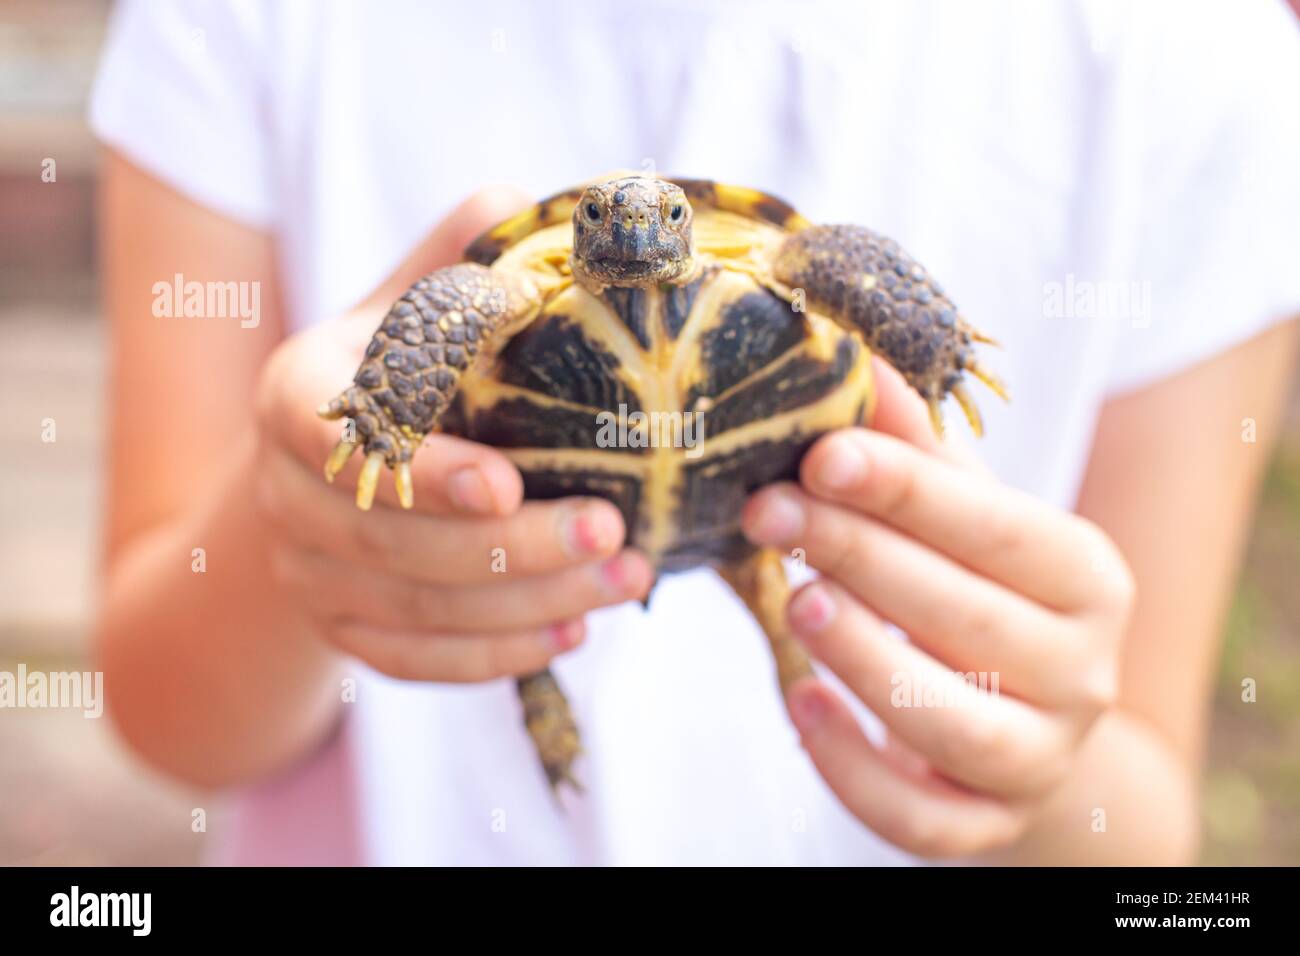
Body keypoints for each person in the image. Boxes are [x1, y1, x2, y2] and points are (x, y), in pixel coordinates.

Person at [90, 0, 1300, 865]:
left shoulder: (1201, 60)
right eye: (613, 214)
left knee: (777, 604)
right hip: (512, 546)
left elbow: (1146, 831)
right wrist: (307, 511)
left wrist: (1035, 770)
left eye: (650, 213)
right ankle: (544, 707)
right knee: (515, 601)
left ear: (681, 228)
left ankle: (785, 661)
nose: (629, 223)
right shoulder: (256, 32)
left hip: (763, 507)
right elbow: (162, 705)